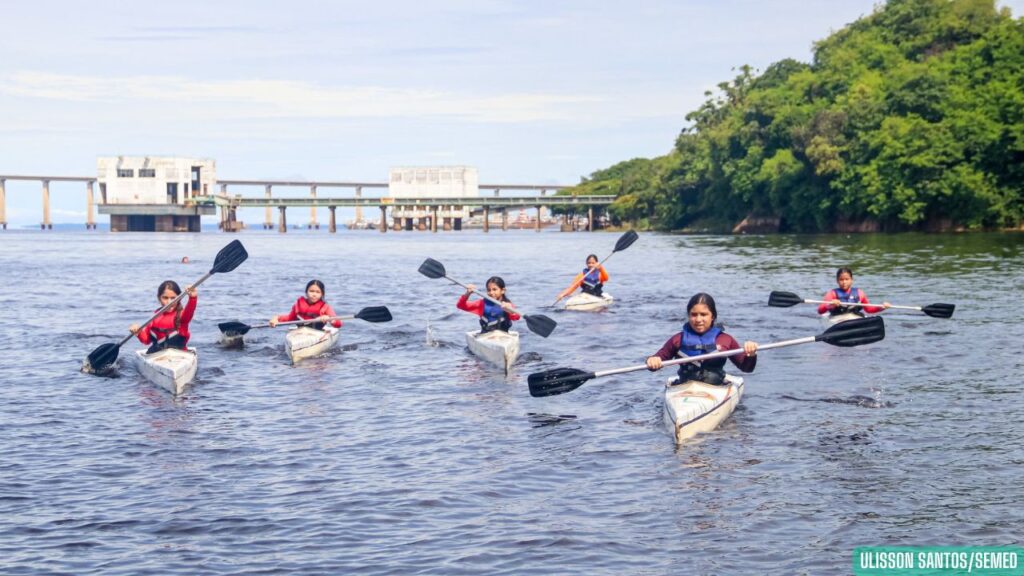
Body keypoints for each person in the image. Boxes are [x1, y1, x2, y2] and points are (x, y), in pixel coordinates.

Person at [645, 293, 757, 386]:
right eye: (694, 315)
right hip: (684, 389)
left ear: (712, 316)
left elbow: (746, 368)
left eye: (703, 314)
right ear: (688, 316)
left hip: (716, 389)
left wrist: (751, 354)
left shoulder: (725, 340)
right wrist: (652, 361)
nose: (698, 319)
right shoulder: (677, 340)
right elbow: (656, 361)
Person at [129, 280, 197, 353]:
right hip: (158, 356)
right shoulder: (154, 318)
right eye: (165, 298)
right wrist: (138, 332)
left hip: (179, 356)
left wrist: (193, 298)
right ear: (159, 298)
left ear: (179, 298)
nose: (169, 302)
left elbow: (190, 310)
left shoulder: (182, 315)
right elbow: (146, 340)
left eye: (173, 298)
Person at [269, 279, 342, 331]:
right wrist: (276, 318)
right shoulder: (298, 305)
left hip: (317, 333)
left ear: (322, 294)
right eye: (311, 291)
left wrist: (329, 318)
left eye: (317, 292)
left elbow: (338, 324)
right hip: (301, 333)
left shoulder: (325, 307)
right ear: (306, 292)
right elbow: (289, 318)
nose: (314, 294)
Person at [817, 267, 890, 318]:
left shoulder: (860, 293)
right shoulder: (832, 293)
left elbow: (869, 309)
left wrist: (881, 307)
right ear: (837, 281)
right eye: (841, 279)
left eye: (847, 279)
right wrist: (830, 305)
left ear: (851, 280)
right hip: (837, 319)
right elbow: (820, 311)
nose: (844, 282)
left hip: (855, 318)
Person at [457, 276, 521, 333]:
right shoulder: (482, 304)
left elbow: (516, 317)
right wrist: (468, 294)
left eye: (494, 289)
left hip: (503, 336)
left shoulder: (507, 305)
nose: (491, 293)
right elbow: (460, 305)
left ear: (503, 290)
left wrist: (511, 311)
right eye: (489, 290)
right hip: (486, 336)